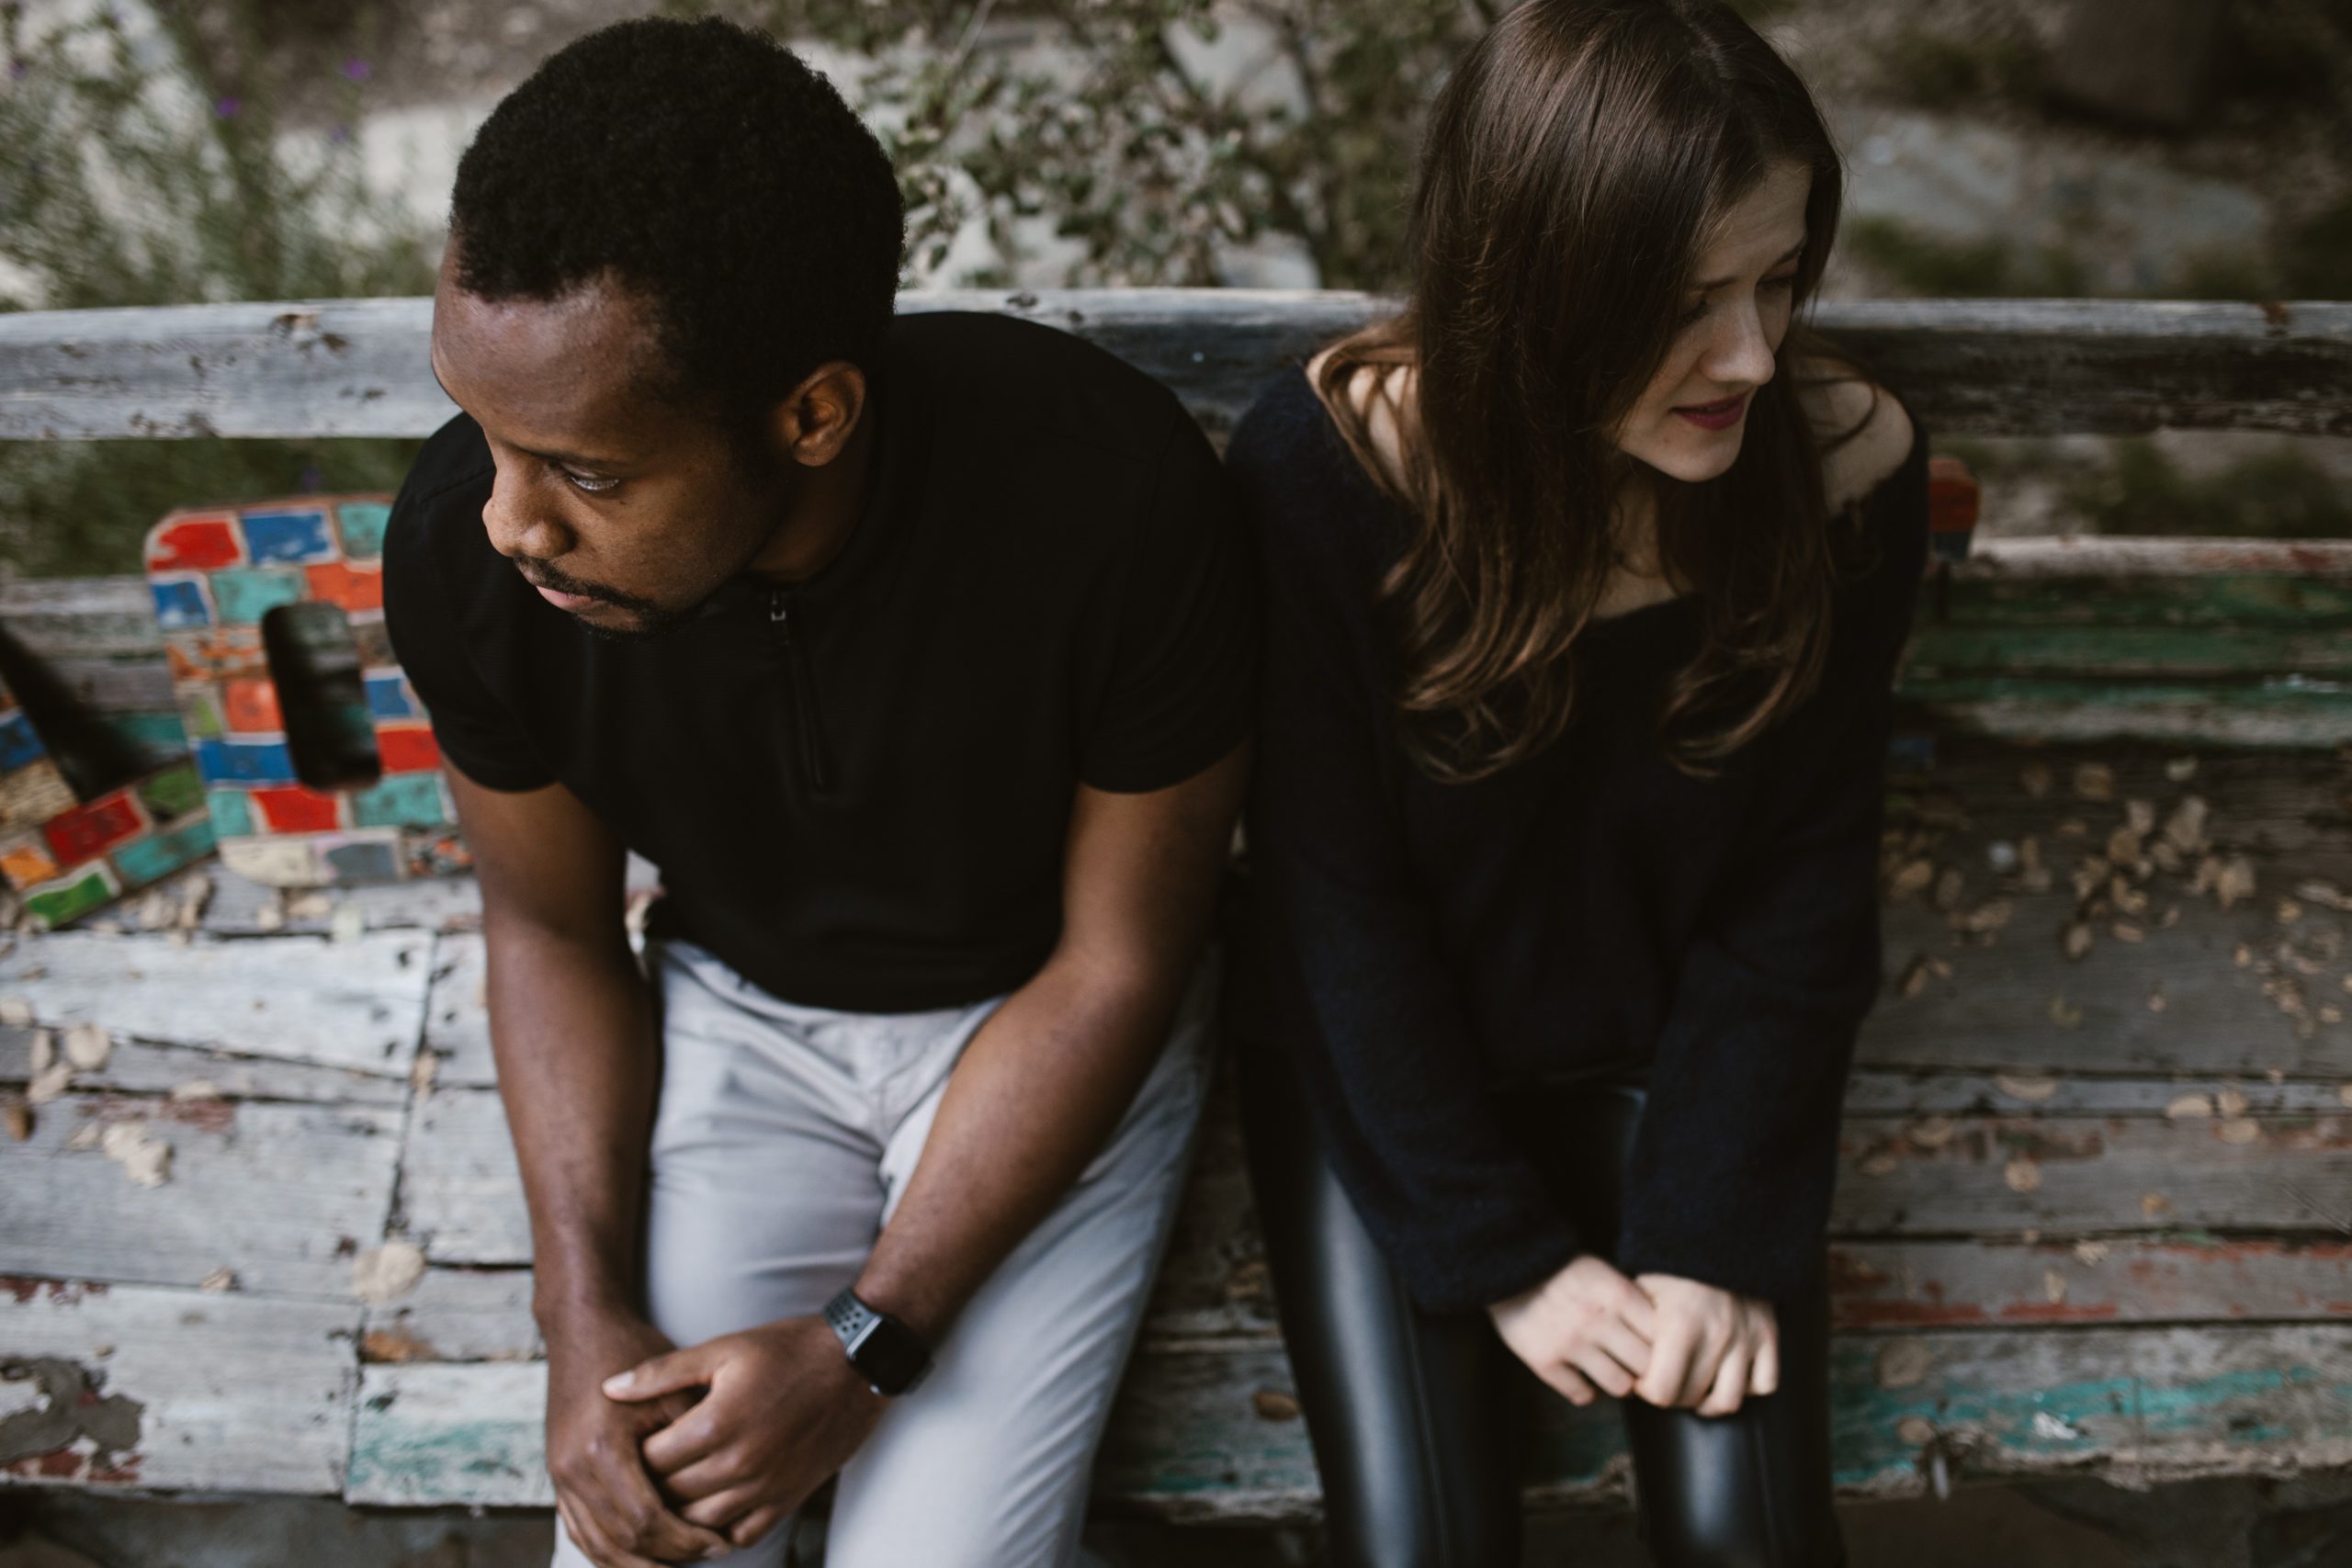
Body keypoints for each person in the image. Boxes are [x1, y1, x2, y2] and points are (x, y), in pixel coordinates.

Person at [380, 18, 1255, 1568]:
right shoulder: (471, 549)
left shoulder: (1111, 496)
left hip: (1043, 1029)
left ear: (811, 415)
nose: (511, 523)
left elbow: (1124, 958)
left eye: (584, 472)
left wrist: (868, 1339)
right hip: (740, 1020)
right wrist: (580, 1318)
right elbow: (551, 930)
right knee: (644, 1536)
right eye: (483, 433)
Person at [1222, 2, 1927, 1563]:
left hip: (1679, 1065)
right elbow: (1333, 912)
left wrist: (1714, 1232)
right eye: (1687, 301)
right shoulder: (1332, 471)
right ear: (1537, 287)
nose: (1750, 352)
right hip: (1392, 1084)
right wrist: (1508, 1259)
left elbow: (1801, 884)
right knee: (1424, 1547)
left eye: (1781, 278)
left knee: (1755, 1543)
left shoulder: (1846, 470)